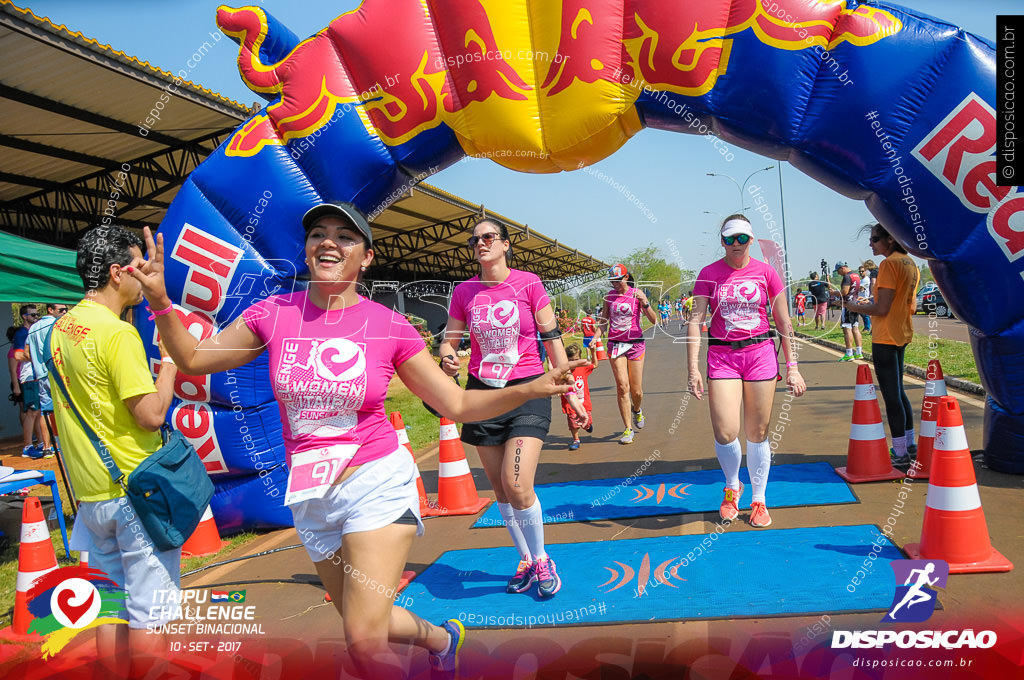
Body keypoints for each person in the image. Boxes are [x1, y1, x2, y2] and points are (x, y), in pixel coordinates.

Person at [132, 205, 580, 678]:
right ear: (305, 251)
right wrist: (161, 301)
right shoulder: (273, 314)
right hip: (309, 494)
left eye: (345, 237)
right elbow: (193, 358)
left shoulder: (388, 325)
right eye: (318, 235)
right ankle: (444, 638)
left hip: (375, 484)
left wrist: (531, 388)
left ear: (366, 258)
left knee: (364, 643)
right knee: (364, 618)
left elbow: (458, 405)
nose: (329, 242)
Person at [47, 226, 180, 677]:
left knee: (109, 604)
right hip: (134, 490)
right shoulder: (119, 334)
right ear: (115, 272)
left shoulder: (58, 330)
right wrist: (169, 367)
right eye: (139, 269)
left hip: (90, 495)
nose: (145, 279)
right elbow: (151, 415)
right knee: (150, 609)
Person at [439, 217, 576, 600]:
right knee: (500, 488)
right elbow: (448, 342)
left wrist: (569, 390)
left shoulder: (528, 283)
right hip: (483, 393)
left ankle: (544, 558)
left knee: (518, 485)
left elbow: (552, 340)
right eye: (474, 240)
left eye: (488, 237)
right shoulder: (464, 292)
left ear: (505, 244)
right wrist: (448, 357)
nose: (480, 244)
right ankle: (527, 561)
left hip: (529, 389)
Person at [686, 215, 806, 528]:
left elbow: (783, 323)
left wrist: (793, 368)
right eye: (729, 239)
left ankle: (759, 499)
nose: (736, 244)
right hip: (722, 356)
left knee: (757, 432)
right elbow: (696, 322)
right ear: (722, 241)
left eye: (742, 238)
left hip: (760, 354)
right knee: (726, 431)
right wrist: (692, 369)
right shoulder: (709, 274)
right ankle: (732, 487)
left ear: (751, 239)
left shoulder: (767, 273)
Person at [844, 224, 920, 468]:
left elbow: (882, 309)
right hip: (902, 333)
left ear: (890, 238)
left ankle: (899, 452)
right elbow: (910, 305)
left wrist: (855, 307)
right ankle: (909, 445)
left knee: (891, 395)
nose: (871, 244)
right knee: (899, 391)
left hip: (885, 337)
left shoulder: (888, 265)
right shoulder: (910, 263)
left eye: (875, 239)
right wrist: (874, 301)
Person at [600, 264, 658, 444]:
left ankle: (638, 410)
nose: (615, 284)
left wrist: (645, 302)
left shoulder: (636, 294)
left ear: (626, 277)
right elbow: (604, 321)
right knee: (622, 387)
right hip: (616, 344)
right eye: (612, 281)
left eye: (618, 280)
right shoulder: (609, 297)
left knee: (636, 390)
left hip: (635, 344)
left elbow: (654, 320)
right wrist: (595, 337)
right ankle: (627, 429)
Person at [26, 302, 70, 455]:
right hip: (56, 373)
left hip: (41, 375)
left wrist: (37, 365)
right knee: (65, 408)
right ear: (50, 310)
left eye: (66, 309)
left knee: (45, 411)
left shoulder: (32, 328)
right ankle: (66, 445)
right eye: (61, 309)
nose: (65, 312)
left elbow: (26, 352)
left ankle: (46, 447)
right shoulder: (57, 324)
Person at [12, 304, 50, 458]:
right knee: (31, 412)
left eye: (37, 315)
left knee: (38, 411)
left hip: (37, 375)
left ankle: (41, 442)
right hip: (29, 376)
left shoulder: (32, 330)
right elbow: (18, 356)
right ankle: (27, 446)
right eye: (33, 315)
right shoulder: (22, 333)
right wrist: (36, 354)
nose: (36, 317)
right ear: (24, 317)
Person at [562, 343, 596, 450]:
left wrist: (593, 352)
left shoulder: (583, 368)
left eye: (576, 360)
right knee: (573, 423)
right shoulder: (564, 372)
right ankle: (576, 439)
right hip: (569, 403)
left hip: (584, 403)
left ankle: (588, 426)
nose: (573, 363)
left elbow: (595, 364)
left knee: (587, 422)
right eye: (570, 360)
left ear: (580, 358)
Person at [835, 262, 863, 361]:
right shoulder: (856, 275)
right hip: (855, 303)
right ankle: (859, 352)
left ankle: (849, 353)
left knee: (847, 329)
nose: (838, 274)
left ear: (842, 268)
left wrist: (834, 293)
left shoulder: (847, 277)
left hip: (847, 304)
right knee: (855, 327)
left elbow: (845, 292)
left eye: (838, 271)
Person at [858, 262, 875, 333]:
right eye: (860, 271)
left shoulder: (866, 280)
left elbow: (860, 288)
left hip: (865, 298)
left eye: (863, 271)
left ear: (866, 271)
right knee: (863, 313)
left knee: (866, 314)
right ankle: (867, 327)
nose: (861, 273)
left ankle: (868, 328)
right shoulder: (861, 280)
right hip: (860, 298)